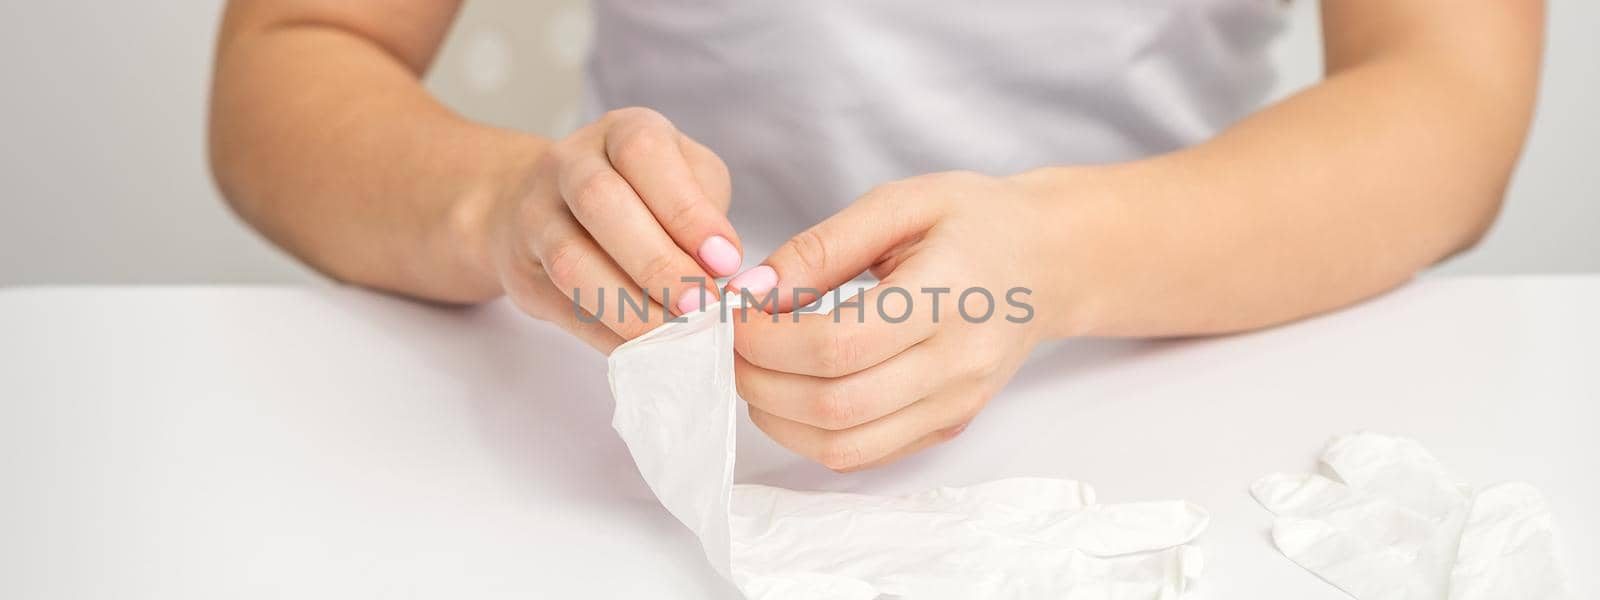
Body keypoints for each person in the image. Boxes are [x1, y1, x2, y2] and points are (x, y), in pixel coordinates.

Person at [209, 1, 1543, 472]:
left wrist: (1060, 259)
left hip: (1165, 377)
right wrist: (504, 210)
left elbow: (1450, 97)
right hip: (619, 417)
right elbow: (291, 62)